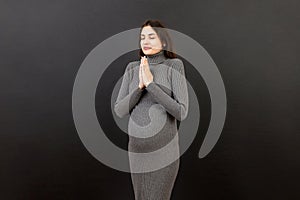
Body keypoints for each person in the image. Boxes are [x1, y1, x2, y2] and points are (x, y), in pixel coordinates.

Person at [114, 19, 189, 200]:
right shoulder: (132, 68)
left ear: (163, 42)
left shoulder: (174, 66)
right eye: (142, 37)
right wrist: (140, 87)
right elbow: (120, 110)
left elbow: (181, 112)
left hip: (164, 152)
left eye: (151, 37)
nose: (145, 41)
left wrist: (151, 84)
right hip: (137, 152)